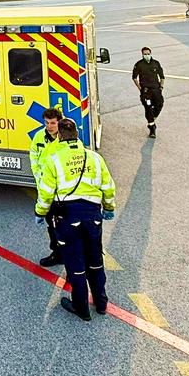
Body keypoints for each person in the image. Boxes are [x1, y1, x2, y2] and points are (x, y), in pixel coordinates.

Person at [34, 119, 116, 321]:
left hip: (68, 218)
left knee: (75, 263)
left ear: (60, 136)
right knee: (95, 261)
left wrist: (40, 213)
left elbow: (46, 193)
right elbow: (108, 187)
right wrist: (109, 208)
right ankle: (101, 303)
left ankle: (81, 308)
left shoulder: (54, 160)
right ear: (77, 135)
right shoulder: (95, 158)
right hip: (92, 216)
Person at [29, 107, 64, 267]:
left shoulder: (65, 138)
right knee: (52, 225)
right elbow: (33, 155)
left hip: (63, 191)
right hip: (46, 188)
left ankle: (69, 255)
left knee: (66, 226)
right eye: (47, 123)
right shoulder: (39, 136)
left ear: (59, 123)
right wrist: (38, 176)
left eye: (53, 123)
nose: (49, 126)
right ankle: (57, 254)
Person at [131, 46, 165, 138]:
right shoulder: (139, 64)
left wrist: (161, 87)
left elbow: (162, 76)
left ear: (151, 53)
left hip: (156, 89)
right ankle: (152, 128)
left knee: (159, 104)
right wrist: (140, 88)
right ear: (142, 54)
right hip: (146, 91)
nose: (147, 55)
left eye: (148, 54)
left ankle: (152, 117)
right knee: (148, 107)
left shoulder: (156, 63)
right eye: (145, 54)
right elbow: (134, 77)